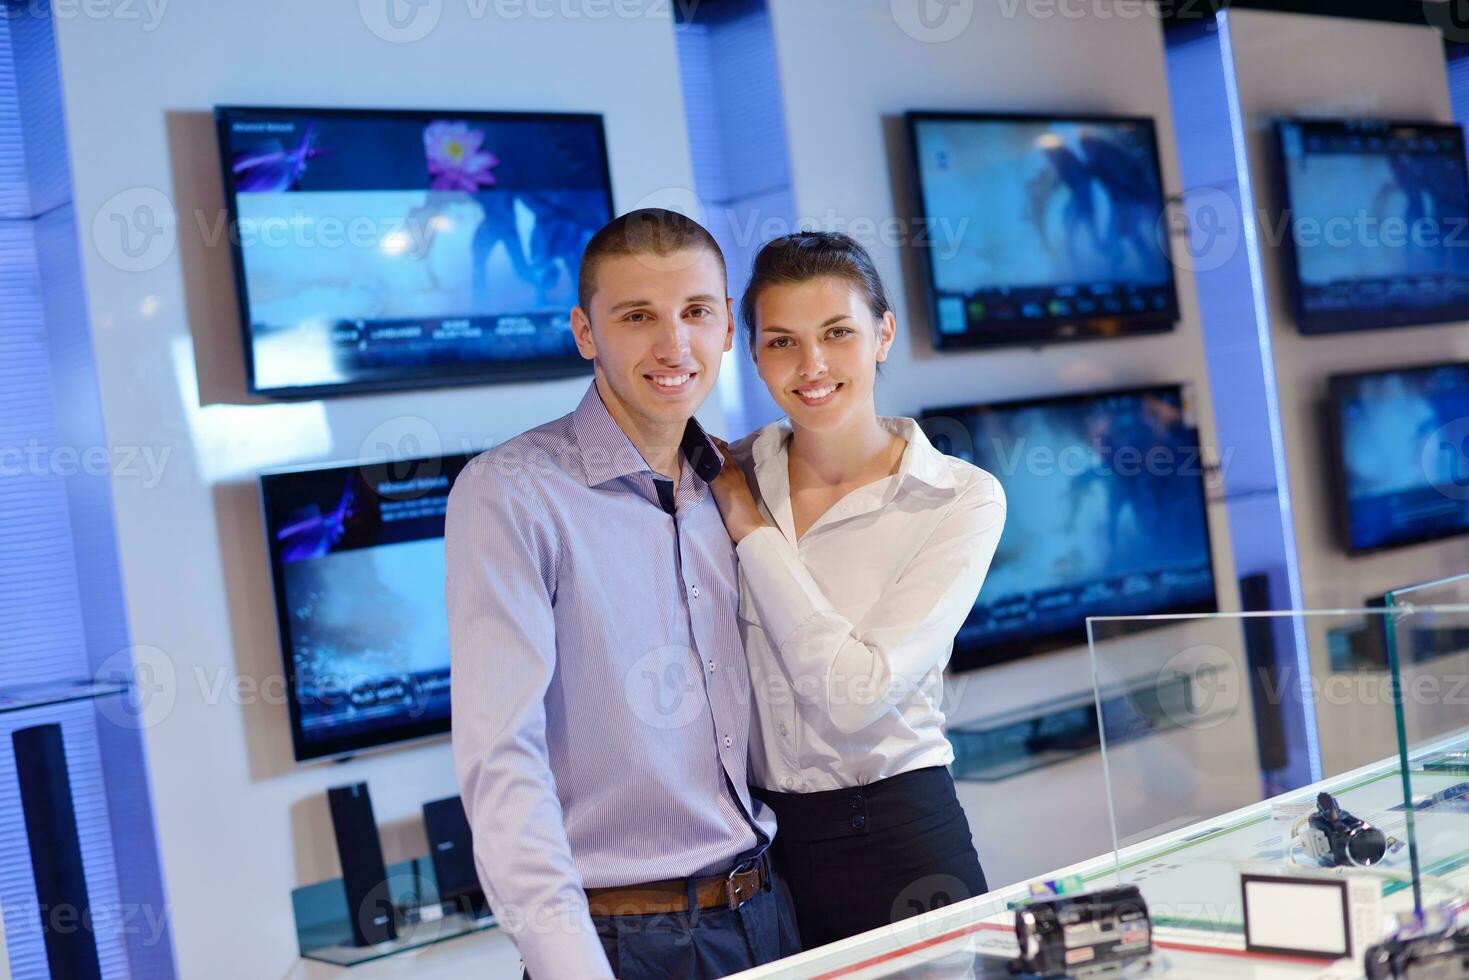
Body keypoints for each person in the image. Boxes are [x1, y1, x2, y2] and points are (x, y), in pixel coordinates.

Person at [446, 209, 800, 980]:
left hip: (769, 913)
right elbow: (501, 757)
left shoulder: (737, 482)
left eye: (695, 313)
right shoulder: (511, 490)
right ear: (584, 331)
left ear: (728, 326)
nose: (673, 344)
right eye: (636, 316)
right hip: (622, 944)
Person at [706, 231, 1006, 949]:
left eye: (837, 333)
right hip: (758, 850)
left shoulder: (956, 498)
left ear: (883, 334)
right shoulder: (722, 473)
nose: (810, 365)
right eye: (781, 342)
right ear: (752, 355)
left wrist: (750, 529)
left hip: (898, 836)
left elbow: (854, 696)